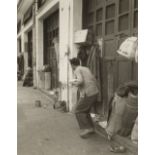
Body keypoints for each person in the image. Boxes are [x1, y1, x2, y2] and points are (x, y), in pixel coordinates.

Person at [70, 58, 99, 138]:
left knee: (78, 110)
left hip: (88, 93)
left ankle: (87, 128)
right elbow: (93, 79)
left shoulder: (77, 69)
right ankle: (91, 128)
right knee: (85, 111)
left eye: (71, 65)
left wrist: (73, 83)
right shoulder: (86, 68)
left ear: (72, 65)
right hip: (94, 91)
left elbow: (80, 81)